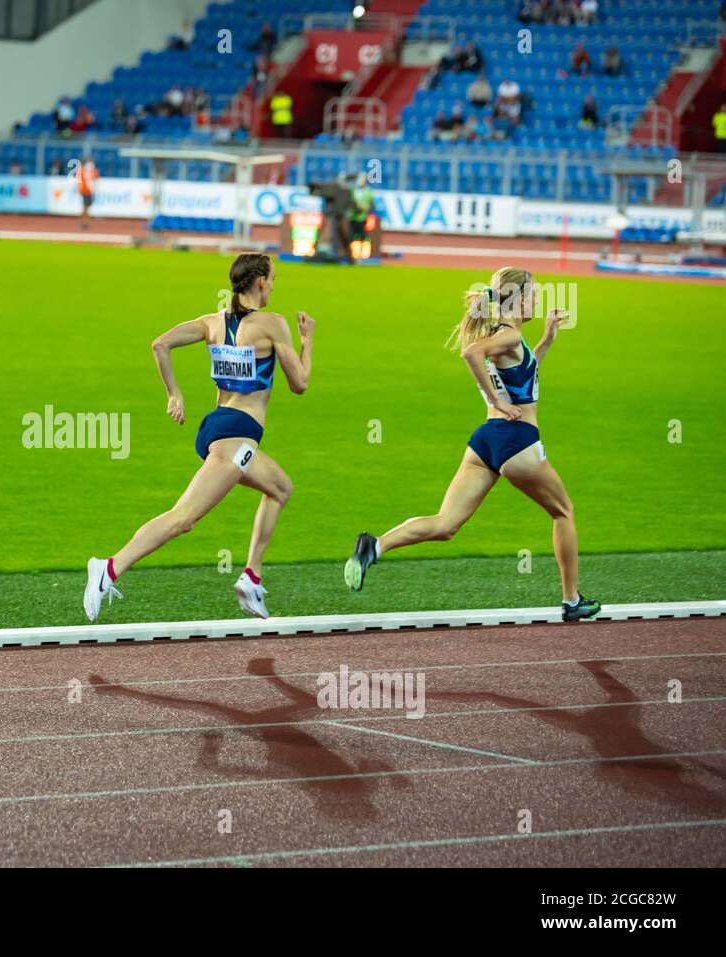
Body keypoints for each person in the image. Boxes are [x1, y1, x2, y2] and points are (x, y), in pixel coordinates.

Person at [344, 268, 601, 623]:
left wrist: (545, 342)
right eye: (535, 293)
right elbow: (471, 354)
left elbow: (522, 376)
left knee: (445, 524)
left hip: (487, 442)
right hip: (518, 441)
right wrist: (497, 401)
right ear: (519, 297)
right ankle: (572, 602)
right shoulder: (507, 336)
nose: (539, 299)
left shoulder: (507, 335)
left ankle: (375, 545)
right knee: (564, 512)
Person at [83, 254, 314, 622]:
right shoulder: (273, 325)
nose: (273, 285)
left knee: (280, 488)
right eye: (272, 279)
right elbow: (299, 384)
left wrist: (173, 393)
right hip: (237, 436)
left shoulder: (211, 323)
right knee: (183, 519)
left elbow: (160, 344)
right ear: (258, 282)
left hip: (215, 427)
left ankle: (252, 577)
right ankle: (108, 567)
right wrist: (307, 341)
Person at [76, 157, 97, 230]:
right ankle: (84, 222)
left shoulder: (90, 170)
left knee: (87, 207)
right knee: (86, 207)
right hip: (85, 191)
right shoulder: (82, 171)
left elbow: (94, 180)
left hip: (89, 191)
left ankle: (85, 221)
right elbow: (80, 181)